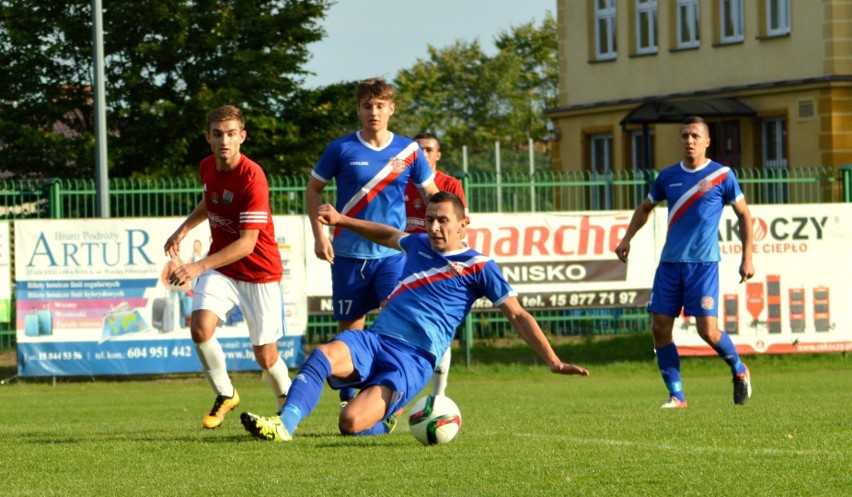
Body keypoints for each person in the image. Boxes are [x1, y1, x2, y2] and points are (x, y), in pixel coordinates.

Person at [239, 191, 590, 442]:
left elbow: (517, 315)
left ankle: (385, 419)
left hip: (413, 360)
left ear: (463, 224)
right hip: (375, 340)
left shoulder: (480, 267)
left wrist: (553, 360)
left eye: (443, 221)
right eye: (430, 220)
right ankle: (284, 425)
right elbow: (386, 233)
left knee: (349, 422)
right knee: (324, 353)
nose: (435, 227)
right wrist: (342, 220)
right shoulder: (418, 243)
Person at [305, 77, 438, 407]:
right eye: (367, 106)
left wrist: (447, 224)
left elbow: (432, 195)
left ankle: (385, 396)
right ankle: (348, 402)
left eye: (380, 106)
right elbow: (313, 189)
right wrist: (319, 235)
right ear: (359, 110)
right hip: (348, 255)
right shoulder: (341, 149)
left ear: (391, 109)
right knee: (350, 334)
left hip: (393, 256)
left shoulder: (409, 150)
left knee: (396, 325)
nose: (374, 112)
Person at [164, 105, 291, 429]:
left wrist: (197, 266)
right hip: (223, 268)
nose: (225, 140)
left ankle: (286, 406)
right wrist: (184, 228)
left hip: (259, 272)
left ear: (242, 137)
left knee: (265, 356)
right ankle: (225, 393)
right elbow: (212, 200)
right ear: (207, 137)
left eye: (232, 134)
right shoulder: (207, 166)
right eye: (218, 134)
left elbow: (248, 243)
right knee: (200, 328)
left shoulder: (253, 176)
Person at [614, 116, 755, 408]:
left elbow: (744, 214)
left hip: (703, 266)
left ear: (706, 141)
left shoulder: (722, 175)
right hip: (669, 265)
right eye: (684, 136)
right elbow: (645, 207)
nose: (689, 141)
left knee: (708, 331)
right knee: (659, 327)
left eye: (694, 135)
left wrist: (747, 257)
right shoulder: (668, 177)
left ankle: (739, 369)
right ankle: (677, 396)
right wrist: (627, 238)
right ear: (679, 141)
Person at [404, 132, 468, 397]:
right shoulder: (401, 182)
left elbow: (461, 227)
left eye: (429, 149)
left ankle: (438, 397)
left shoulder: (449, 185)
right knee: (401, 325)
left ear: (438, 155)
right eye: (418, 150)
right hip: (404, 263)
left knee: (438, 326)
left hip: (439, 266)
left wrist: (457, 259)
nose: (424, 154)